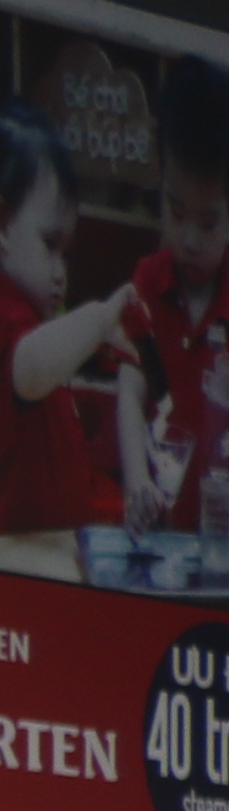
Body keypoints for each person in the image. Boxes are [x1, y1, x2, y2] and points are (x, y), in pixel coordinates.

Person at [0, 106, 134, 540]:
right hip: (24, 557)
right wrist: (99, 316)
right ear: (1, 223)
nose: (60, 270)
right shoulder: (4, 317)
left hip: (55, 548)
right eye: (50, 245)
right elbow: (32, 369)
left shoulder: (32, 318)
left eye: (66, 253)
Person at [117, 55, 229, 536]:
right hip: (161, 532)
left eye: (208, 224)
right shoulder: (148, 282)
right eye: (174, 212)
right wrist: (137, 481)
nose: (187, 239)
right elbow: (128, 390)